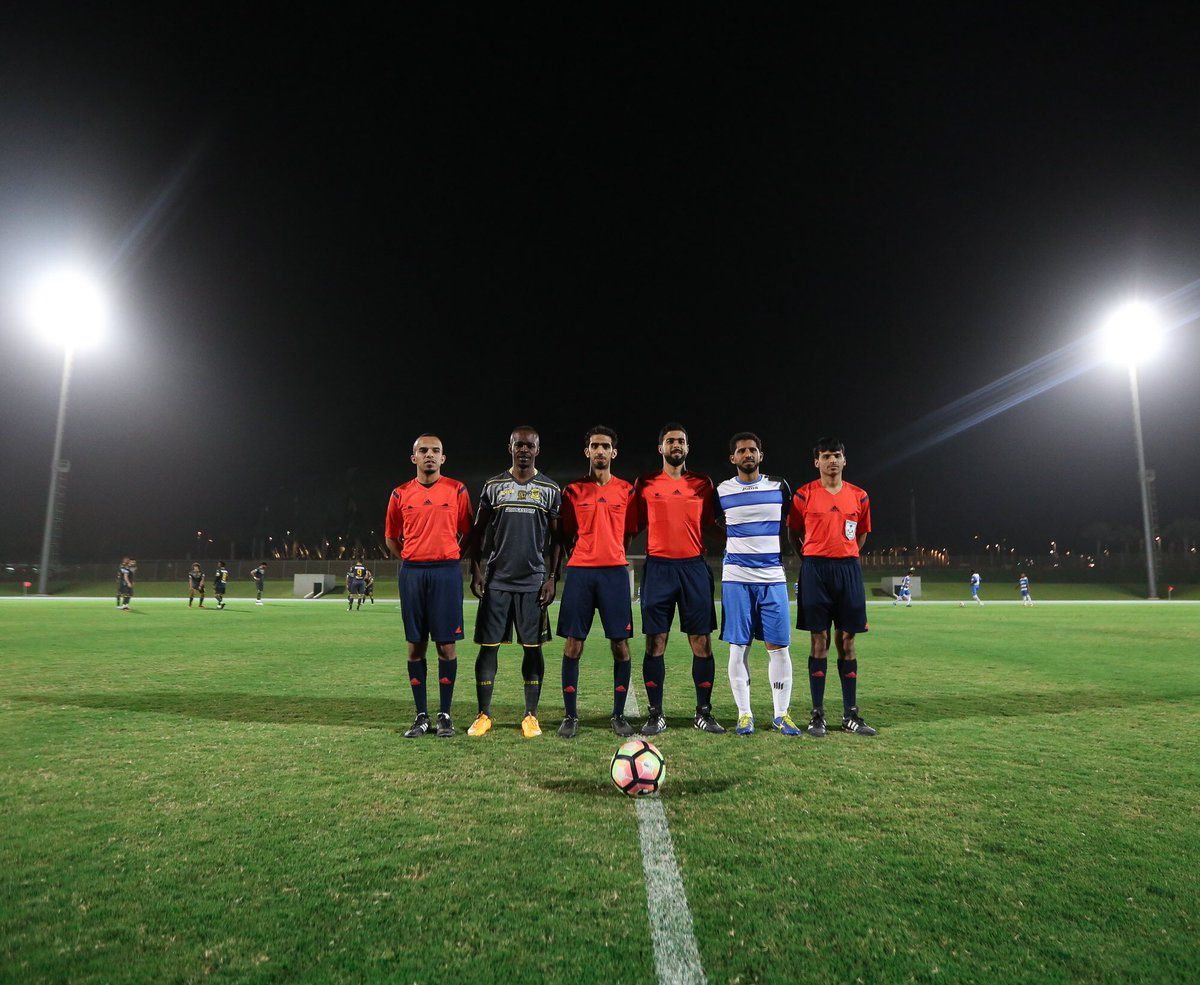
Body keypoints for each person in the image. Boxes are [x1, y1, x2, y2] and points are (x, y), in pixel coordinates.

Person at [464, 426, 562, 739]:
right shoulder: (493, 486)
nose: (524, 450)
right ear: (510, 447)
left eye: (529, 445)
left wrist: (552, 577)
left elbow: (558, 539)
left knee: (532, 650)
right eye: (518, 444)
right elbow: (477, 532)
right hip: (497, 580)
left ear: (537, 449)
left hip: (533, 582)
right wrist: (476, 569)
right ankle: (484, 715)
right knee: (488, 649)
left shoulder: (549, 489)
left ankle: (531, 715)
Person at [633, 423, 724, 735]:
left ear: (688, 448)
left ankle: (704, 712)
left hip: (694, 568)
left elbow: (711, 525)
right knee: (656, 641)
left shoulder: (703, 483)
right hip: (658, 567)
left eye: (681, 441)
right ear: (661, 448)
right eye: (670, 440)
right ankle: (655, 714)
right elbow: (631, 524)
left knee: (701, 641)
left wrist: (740, 540)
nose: (676, 445)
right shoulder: (644, 482)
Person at [787, 437, 877, 737]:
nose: (832, 461)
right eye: (826, 456)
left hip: (848, 570)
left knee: (847, 640)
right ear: (817, 462)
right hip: (815, 569)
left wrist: (843, 554)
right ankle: (817, 715)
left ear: (844, 459)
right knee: (819, 640)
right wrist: (813, 557)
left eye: (837, 455)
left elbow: (861, 535)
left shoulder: (860, 496)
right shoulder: (803, 495)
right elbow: (793, 533)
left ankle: (851, 714)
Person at [386, 433, 473, 738]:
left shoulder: (457, 490)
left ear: (443, 458)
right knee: (415, 646)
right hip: (413, 573)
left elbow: (468, 531)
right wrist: (412, 558)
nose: (429, 455)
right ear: (414, 458)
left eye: (435, 450)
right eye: (423, 451)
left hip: (446, 572)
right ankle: (421, 716)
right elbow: (391, 538)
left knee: (446, 646)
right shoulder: (399, 494)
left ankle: (445, 715)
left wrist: (448, 554)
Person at [556, 425, 638, 738]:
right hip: (580, 573)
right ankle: (570, 716)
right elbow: (564, 534)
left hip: (615, 573)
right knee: (574, 644)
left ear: (614, 452)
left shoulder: (626, 490)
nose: (600, 451)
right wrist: (584, 555)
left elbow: (629, 531)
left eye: (605, 446)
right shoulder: (572, 491)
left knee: (620, 644)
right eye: (595, 446)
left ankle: (618, 715)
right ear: (587, 451)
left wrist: (611, 553)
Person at [717, 432, 798, 736]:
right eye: (741, 451)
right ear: (733, 458)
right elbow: (715, 525)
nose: (747, 454)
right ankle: (744, 714)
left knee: (779, 648)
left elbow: (790, 522)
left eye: (752, 450)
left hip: (773, 577)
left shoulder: (779, 486)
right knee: (738, 649)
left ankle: (781, 714)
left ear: (760, 456)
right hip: (737, 578)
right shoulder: (722, 490)